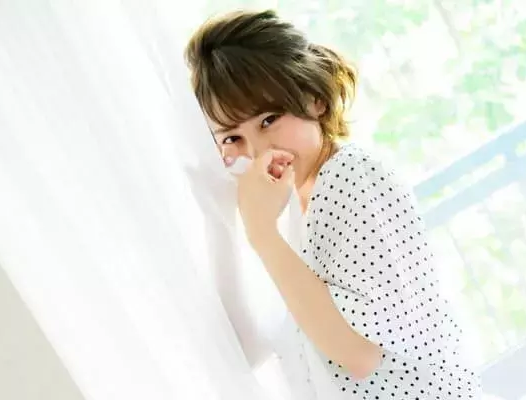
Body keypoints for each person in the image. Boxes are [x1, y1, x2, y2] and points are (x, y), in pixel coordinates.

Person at [185, 9, 481, 399]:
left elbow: (358, 354)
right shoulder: (294, 209)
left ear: (315, 99)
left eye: (269, 119)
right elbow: (259, 347)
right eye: (232, 138)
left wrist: (261, 233)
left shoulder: (350, 177)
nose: (257, 151)